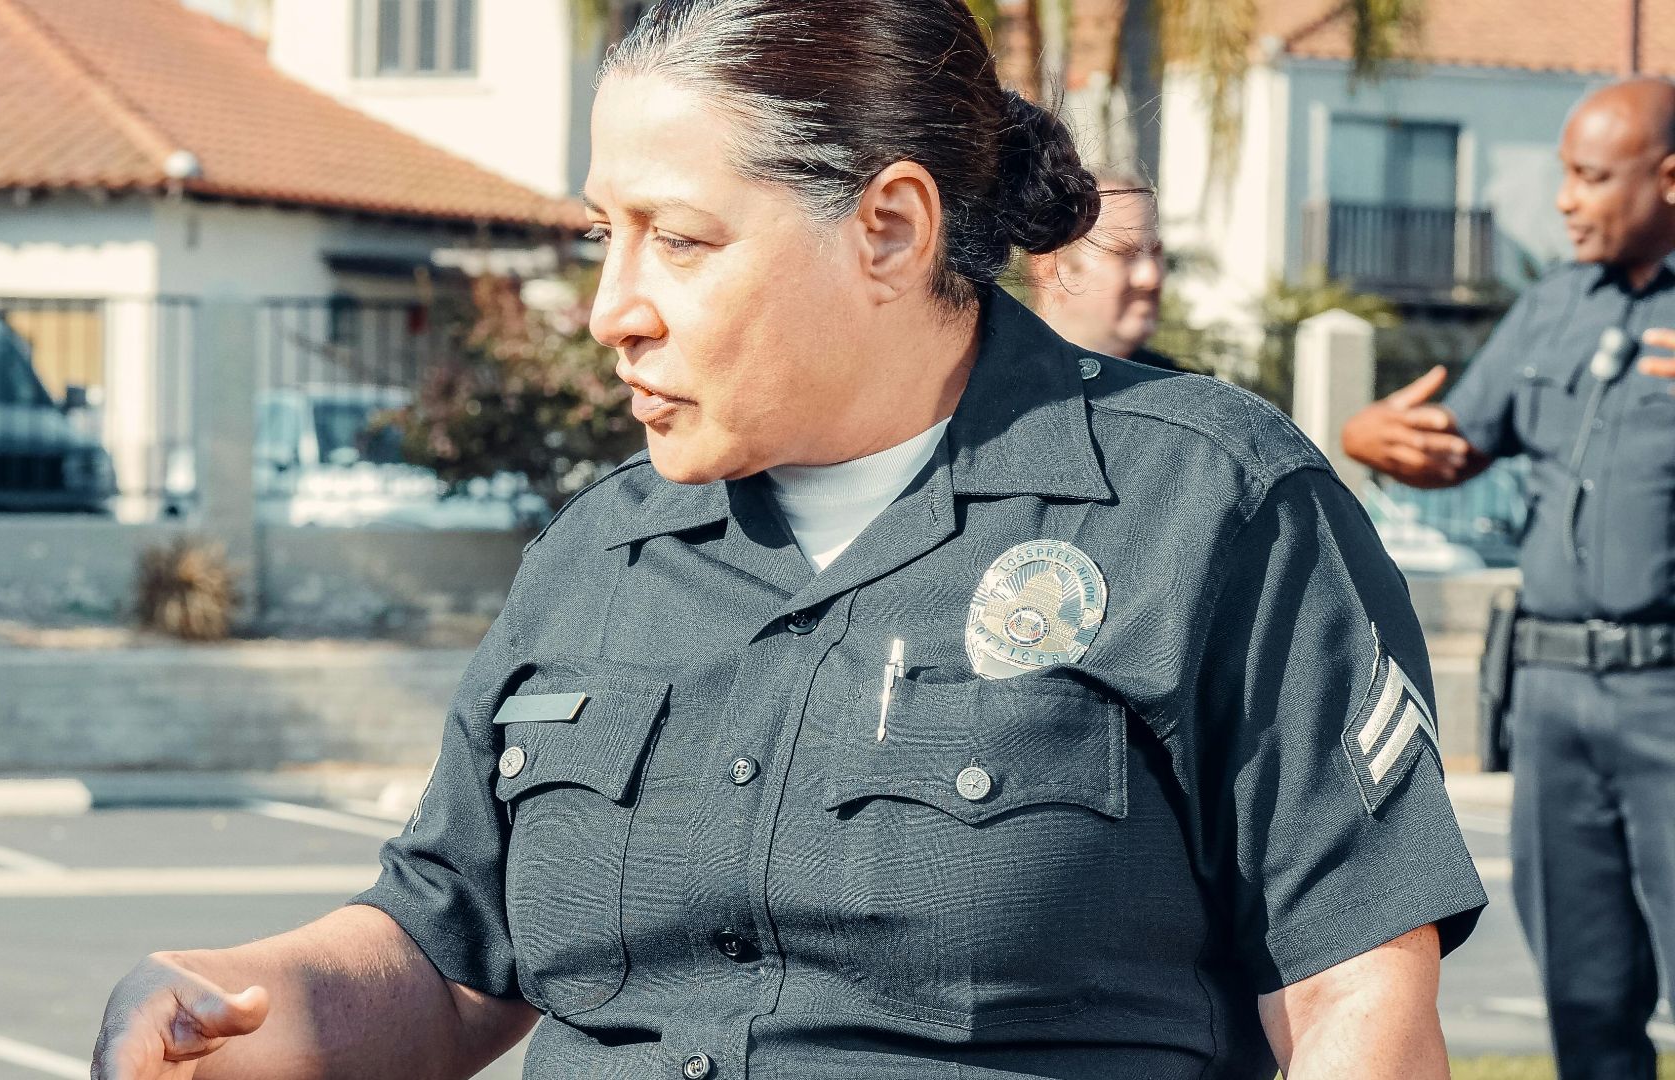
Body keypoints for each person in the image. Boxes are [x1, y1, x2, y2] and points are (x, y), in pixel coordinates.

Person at [93, 2, 1485, 1077]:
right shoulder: (600, 555)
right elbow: (447, 951)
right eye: (602, 235)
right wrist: (218, 1005)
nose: (613, 307)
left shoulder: (1208, 508)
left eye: (678, 240)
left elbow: (1356, 998)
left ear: (886, 226)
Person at [1342, 76, 1675, 1080]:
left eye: (1591, 177)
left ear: (1668, 179)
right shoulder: (1553, 309)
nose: (1566, 199)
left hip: (1668, 693)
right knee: (1586, 999)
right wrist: (1367, 436)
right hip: (1554, 700)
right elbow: (1453, 443)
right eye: (1565, 176)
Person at [1027, 167, 1182, 371]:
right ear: (1050, 268)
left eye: (1156, 252)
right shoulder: (992, 387)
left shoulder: (1186, 396)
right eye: (1125, 254)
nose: (1151, 276)